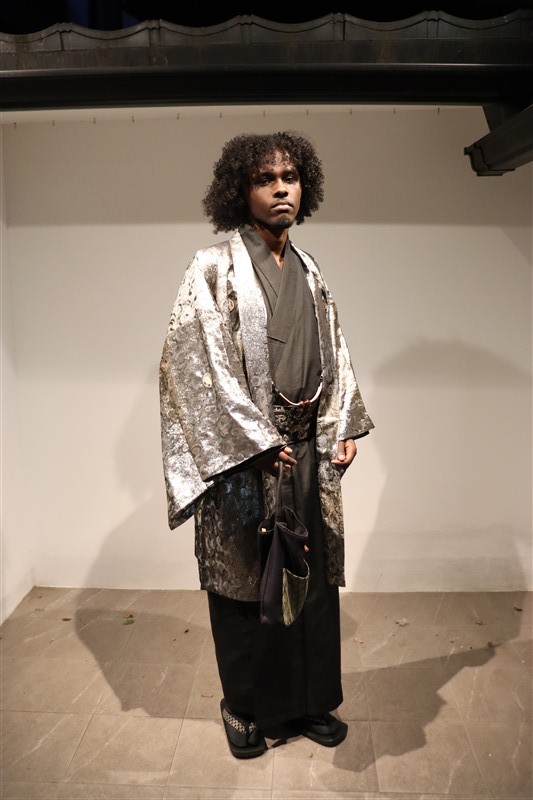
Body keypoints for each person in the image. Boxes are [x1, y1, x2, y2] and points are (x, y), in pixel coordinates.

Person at [159, 131, 374, 759]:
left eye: (290, 177)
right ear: (240, 190)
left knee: (310, 580)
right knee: (246, 586)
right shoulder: (212, 267)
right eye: (265, 179)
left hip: (306, 454)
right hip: (244, 464)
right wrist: (253, 439)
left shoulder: (310, 270)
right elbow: (193, 365)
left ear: (306, 186)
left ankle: (309, 700)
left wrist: (340, 425)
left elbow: (335, 352)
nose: (281, 189)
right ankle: (245, 706)